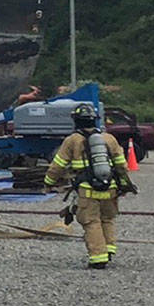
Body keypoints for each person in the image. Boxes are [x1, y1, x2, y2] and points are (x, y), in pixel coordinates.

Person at [43, 104, 137, 269]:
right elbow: (121, 166)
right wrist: (123, 185)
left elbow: (57, 166)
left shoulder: (73, 140)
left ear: (76, 121)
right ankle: (109, 249)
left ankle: (98, 258)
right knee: (107, 219)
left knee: (91, 221)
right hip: (110, 188)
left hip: (88, 190)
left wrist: (48, 183)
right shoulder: (109, 139)